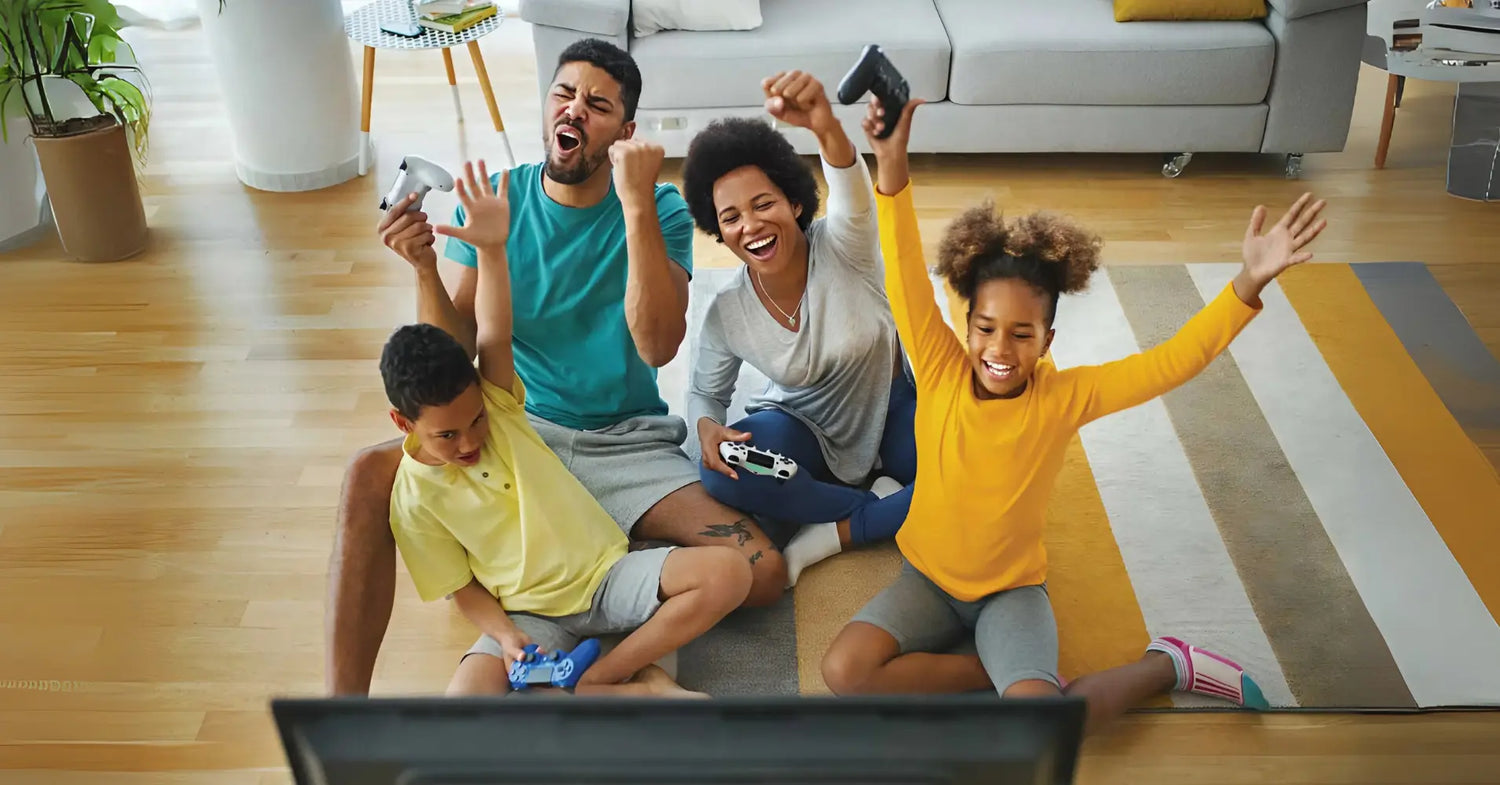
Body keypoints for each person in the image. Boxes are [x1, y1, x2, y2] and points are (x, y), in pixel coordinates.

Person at [820, 95, 1328, 731]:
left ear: (1048, 341)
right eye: (985, 328)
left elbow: (1169, 363)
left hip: (1010, 595)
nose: (1000, 349)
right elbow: (902, 275)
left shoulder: (1062, 400)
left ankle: (1168, 664)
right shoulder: (942, 365)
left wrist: (1246, 283)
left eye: (1022, 334)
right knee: (843, 672)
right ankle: (994, 675)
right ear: (966, 327)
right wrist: (891, 163)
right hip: (926, 581)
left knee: (1042, 727)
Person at [327, 38, 786, 697]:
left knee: (762, 571)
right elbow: (456, 360)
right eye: (563, 95)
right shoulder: (498, 201)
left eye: (597, 105)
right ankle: (343, 711)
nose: (574, 110)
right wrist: (425, 265)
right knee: (367, 473)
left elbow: (657, 344)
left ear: (624, 133)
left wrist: (631, 204)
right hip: (519, 430)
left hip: (626, 442)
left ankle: (595, 628)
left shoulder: (658, 209)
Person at [382, 161, 751, 696]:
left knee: (731, 573)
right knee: (463, 704)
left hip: (606, 575)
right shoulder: (412, 501)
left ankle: (601, 679)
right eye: (447, 436)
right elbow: (462, 590)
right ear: (404, 423)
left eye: (475, 420)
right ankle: (635, 689)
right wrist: (507, 638)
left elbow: (494, 331)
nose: (470, 441)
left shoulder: (500, 405)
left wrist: (491, 250)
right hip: (528, 613)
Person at [680, 70, 917, 587]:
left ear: (793, 202)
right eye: (731, 217)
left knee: (968, 469)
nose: (751, 225)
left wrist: (824, 126)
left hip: (892, 407)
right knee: (720, 470)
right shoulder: (727, 312)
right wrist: (706, 429)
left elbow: (851, 186)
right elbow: (704, 391)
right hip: (801, 427)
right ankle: (867, 508)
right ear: (718, 230)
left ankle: (830, 532)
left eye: (763, 204)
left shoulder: (844, 245)